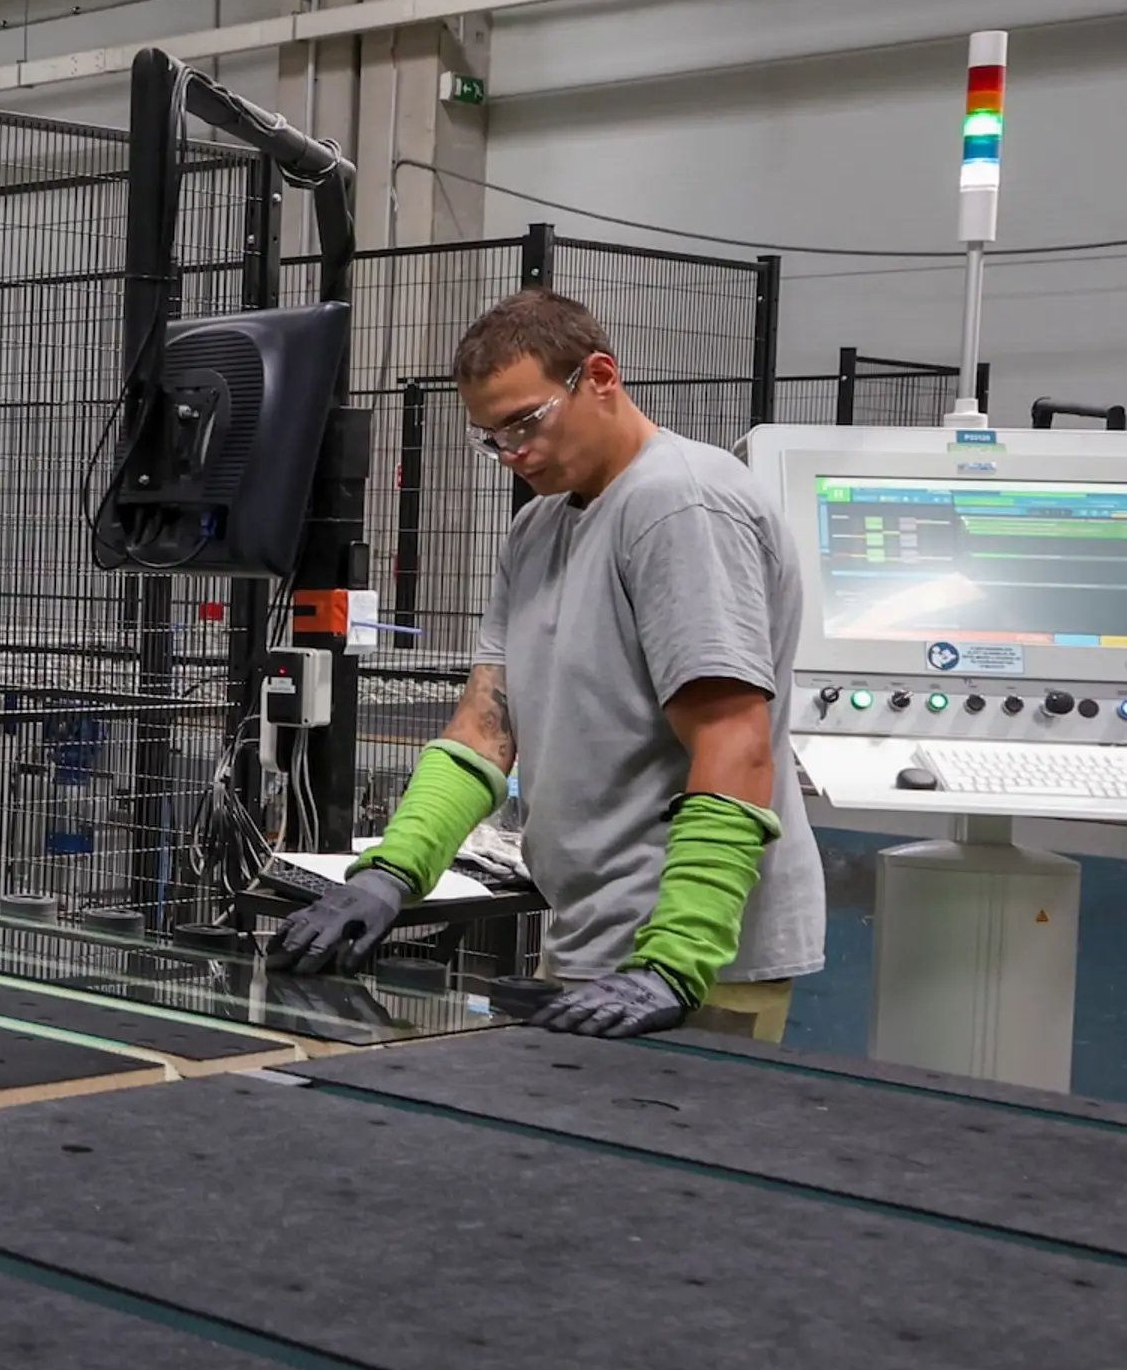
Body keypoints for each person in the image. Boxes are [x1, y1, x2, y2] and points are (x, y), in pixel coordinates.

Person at [270, 288, 823, 1038]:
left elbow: (735, 741)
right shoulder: (538, 527)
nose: (512, 453)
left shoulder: (680, 507)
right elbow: (484, 731)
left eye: (525, 423)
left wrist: (674, 964)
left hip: (698, 962)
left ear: (600, 377)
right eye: (490, 436)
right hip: (592, 944)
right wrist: (390, 874)